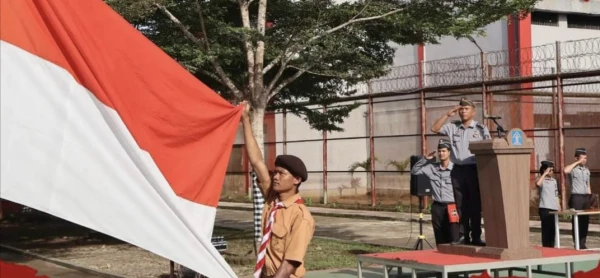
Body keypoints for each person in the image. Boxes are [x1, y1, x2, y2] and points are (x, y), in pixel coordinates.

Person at [240, 101, 315, 278]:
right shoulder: (272, 199)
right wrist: (245, 119)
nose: (275, 177)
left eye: (282, 174)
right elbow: (257, 162)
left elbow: (290, 263)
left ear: (296, 180)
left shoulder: (301, 216)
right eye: (275, 172)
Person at [430, 97, 491, 246]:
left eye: (466, 109)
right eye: (461, 109)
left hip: (473, 169)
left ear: (473, 112)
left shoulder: (481, 129)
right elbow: (434, 129)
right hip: (457, 170)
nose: (463, 111)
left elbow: (490, 146)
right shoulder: (453, 126)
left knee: (475, 205)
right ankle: (464, 236)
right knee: (460, 205)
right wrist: (447, 114)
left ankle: (476, 235)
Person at [411, 139, 460, 246]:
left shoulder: (456, 169)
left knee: (454, 237)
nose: (441, 153)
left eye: (443, 151)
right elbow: (414, 171)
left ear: (449, 152)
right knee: (439, 235)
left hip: (452, 206)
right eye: (439, 151)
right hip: (437, 206)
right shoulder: (432, 168)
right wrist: (425, 159)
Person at [564, 147, 591, 249]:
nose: (584, 160)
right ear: (576, 158)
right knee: (576, 221)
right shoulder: (573, 169)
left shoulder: (586, 170)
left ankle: (583, 243)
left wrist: (590, 197)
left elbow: (588, 184)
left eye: (585, 158)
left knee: (585, 221)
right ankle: (577, 243)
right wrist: (577, 162)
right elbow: (565, 170)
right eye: (582, 158)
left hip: (585, 197)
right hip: (576, 197)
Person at [536, 160, 560, 248]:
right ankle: (546, 247)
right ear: (544, 170)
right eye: (550, 170)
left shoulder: (554, 181)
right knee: (546, 229)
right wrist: (544, 174)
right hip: (545, 207)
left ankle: (552, 246)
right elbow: (538, 184)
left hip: (553, 208)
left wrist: (558, 205)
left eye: (552, 170)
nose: (551, 172)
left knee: (553, 230)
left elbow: (556, 194)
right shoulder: (541, 179)